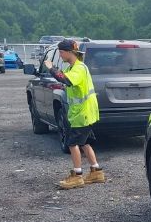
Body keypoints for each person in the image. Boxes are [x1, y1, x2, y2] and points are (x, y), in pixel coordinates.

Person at [44, 39, 105, 189]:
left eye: (61, 52)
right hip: (83, 112)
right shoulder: (73, 67)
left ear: (70, 52)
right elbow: (64, 78)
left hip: (82, 113)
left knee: (72, 143)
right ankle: (96, 172)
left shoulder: (78, 68)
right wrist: (56, 70)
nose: (60, 54)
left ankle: (77, 176)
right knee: (85, 142)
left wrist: (51, 68)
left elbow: (66, 80)